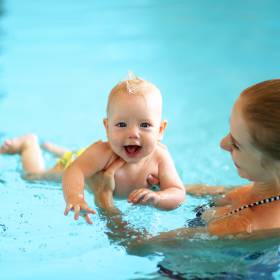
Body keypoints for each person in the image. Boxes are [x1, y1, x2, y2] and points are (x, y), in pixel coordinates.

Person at [93, 79, 280, 242]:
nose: (223, 144)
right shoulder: (267, 187)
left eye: (237, 144)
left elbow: (139, 246)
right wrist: (162, 188)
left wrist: (103, 199)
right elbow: (212, 192)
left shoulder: (241, 227)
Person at [0, 75, 185, 224]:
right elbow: (75, 170)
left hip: (88, 159)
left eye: (144, 125)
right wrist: (75, 196)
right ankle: (28, 145)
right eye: (121, 124)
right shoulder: (103, 152)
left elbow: (177, 191)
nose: (133, 134)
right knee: (34, 176)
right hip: (78, 160)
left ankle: (58, 149)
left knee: (84, 157)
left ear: (160, 130)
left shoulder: (160, 157)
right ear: (107, 127)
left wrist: (158, 198)